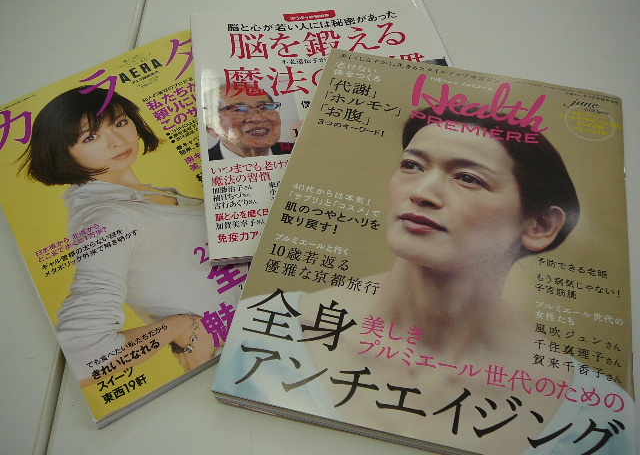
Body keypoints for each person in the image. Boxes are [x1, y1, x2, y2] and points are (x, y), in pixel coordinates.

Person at [217, 106, 635, 454]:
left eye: (468, 177)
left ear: (540, 225)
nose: (422, 192)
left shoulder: (596, 414)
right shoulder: (262, 329)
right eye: (411, 165)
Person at [19, 86, 242, 385]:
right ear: (63, 152)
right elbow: (85, 356)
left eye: (120, 122)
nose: (117, 141)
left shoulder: (150, 195)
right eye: (90, 137)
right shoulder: (107, 218)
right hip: (243, 361)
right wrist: (179, 327)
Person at [203, 84, 292, 160]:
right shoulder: (201, 164)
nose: (257, 118)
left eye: (265, 108)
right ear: (211, 127)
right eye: (239, 109)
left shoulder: (297, 151)